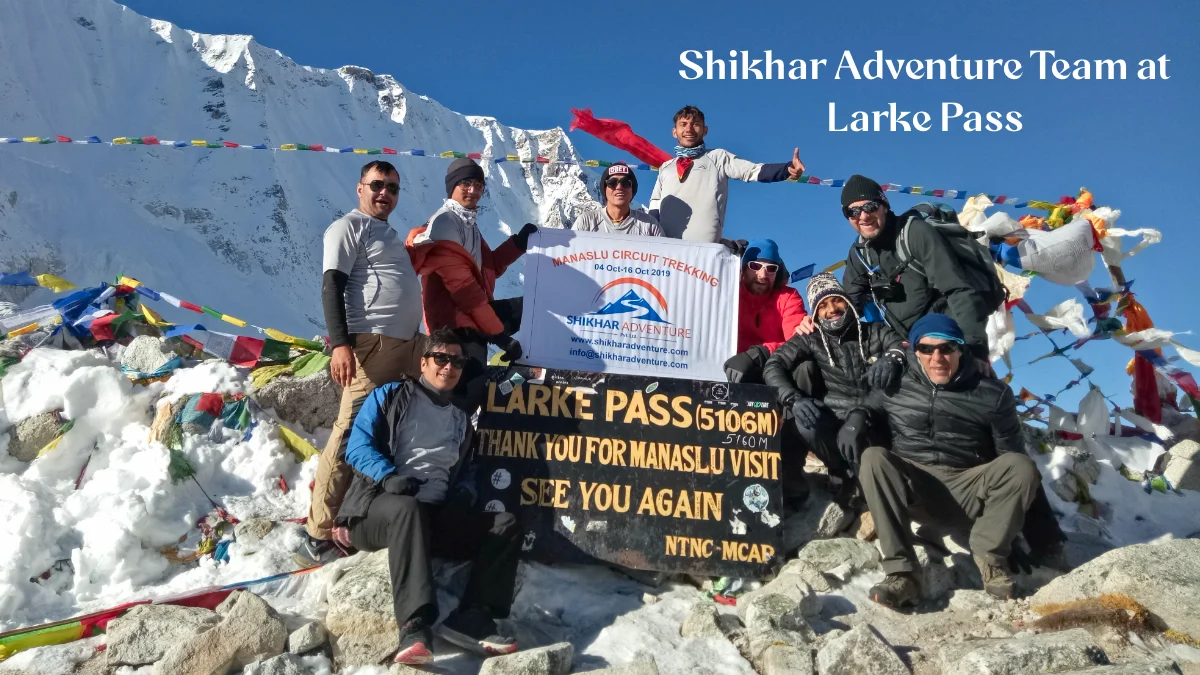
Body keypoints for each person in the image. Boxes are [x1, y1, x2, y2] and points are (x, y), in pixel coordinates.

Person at [336, 329, 521, 664]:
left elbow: (465, 471)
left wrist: (464, 494)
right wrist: (388, 476)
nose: (449, 366)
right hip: (377, 512)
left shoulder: (461, 421)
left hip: (431, 520)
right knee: (407, 508)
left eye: (458, 361)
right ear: (423, 362)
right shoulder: (389, 397)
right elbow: (357, 447)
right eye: (441, 358)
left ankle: (472, 616)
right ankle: (415, 625)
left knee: (504, 524)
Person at [858, 314, 1044, 607]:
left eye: (947, 348)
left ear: (961, 350)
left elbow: (1011, 456)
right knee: (873, 458)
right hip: (915, 486)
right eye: (927, 349)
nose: (937, 357)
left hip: (968, 488)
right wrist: (855, 420)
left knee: (1021, 466)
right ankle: (902, 574)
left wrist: (1017, 533)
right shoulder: (894, 385)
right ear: (915, 351)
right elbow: (865, 408)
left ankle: (990, 558)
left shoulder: (993, 394)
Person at [296, 160, 428, 568]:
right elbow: (331, 284)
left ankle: (376, 510)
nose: (384, 193)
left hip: (408, 344)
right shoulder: (347, 227)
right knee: (352, 428)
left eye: (392, 187)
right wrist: (340, 344)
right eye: (377, 185)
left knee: (413, 416)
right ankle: (318, 532)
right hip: (373, 344)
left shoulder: (384, 232)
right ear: (360, 188)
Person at [797, 175, 997, 362]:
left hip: (945, 336)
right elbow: (850, 305)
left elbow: (958, 289)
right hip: (906, 344)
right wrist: (817, 320)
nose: (863, 216)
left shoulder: (914, 232)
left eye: (870, 206)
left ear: (884, 205)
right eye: (853, 211)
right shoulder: (859, 253)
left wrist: (975, 351)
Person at [407, 158, 537, 407]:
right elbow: (466, 292)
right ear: (452, 187)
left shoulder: (469, 224)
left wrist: (518, 243)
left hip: (476, 317)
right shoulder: (445, 223)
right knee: (466, 398)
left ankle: (524, 372)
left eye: (478, 184)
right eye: (466, 183)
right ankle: (455, 438)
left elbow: (489, 269)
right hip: (455, 328)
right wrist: (500, 337)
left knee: (533, 308)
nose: (473, 190)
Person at [762, 272, 905, 483]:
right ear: (816, 313)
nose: (832, 310)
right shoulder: (810, 339)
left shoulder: (875, 331)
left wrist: (893, 358)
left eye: (837, 300)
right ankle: (840, 474)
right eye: (822, 305)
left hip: (878, 418)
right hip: (837, 421)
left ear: (846, 301)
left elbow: (902, 347)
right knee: (807, 422)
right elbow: (773, 365)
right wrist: (793, 399)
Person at [648, 106, 805, 241]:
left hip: (705, 250)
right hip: (666, 250)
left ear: (705, 130)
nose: (689, 129)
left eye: (695, 124)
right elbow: (655, 204)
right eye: (683, 124)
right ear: (674, 132)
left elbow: (752, 171)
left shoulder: (718, 157)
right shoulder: (666, 167)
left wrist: (787, 169)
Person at [723, 239, 808, 385]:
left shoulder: (788, 297)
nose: (763, 275)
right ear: (743, 268)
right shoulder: (729, 291)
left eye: (771, 268)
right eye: (755, 266)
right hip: (730, 367)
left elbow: (797, 343)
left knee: (805, 366)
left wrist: (760, 353)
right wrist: (719, 258)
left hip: (774, 368)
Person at [572, 162, 663, 236]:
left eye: (626, 183)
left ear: (632, 190)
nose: (619, 187)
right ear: (604, 189)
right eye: (612, 183)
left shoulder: (650, 225)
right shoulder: (586, 222)